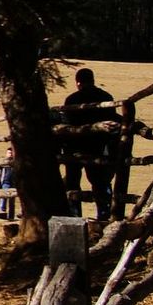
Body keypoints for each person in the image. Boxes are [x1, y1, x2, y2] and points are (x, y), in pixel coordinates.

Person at [61, 68, 118, 220]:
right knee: (100, 181)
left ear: (78, 82)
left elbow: (66, 124)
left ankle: (74, 216)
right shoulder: (105, 96)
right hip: (98, 146)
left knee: (73, 181)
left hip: (75, 147)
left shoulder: (72, 99)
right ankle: (104, 214)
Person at [0, 146, 16, 221]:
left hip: (14, 184)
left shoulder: (15, 162)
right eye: (9, 153)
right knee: (3, 199)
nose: (10, 154)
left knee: (12, 201)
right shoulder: (3, 162)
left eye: (11, 153)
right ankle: (2, 215)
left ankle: (11, 217)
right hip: (5, 183)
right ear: (6, 153)